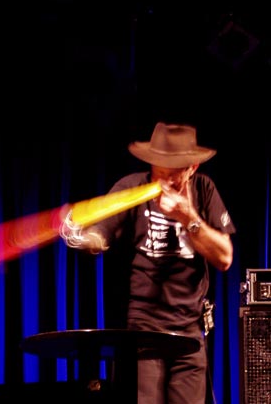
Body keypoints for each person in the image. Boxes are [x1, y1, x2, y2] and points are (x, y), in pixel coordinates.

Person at [60, 121, 235, 403]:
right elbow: (101, 233)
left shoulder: (204, 190)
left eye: (173, 175)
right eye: (159, 173)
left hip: (189, 330)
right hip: (143, 331)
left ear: (192, 168)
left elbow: (225, 258)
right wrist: (86, 238)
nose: (163, 183)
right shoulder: (133, 187)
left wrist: (188, 218)